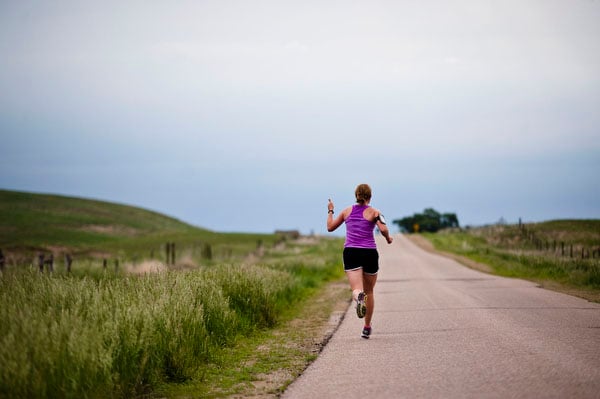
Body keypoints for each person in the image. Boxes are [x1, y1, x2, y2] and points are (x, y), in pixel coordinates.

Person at [326, 183, 393, 339]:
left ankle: (358, 297)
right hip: (369, 253)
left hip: (351, 252)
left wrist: (330, 210)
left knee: (357, 289)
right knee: (369, 291)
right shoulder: (374, 212)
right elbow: (383, 229)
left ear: (356, 195)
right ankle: (367, 327)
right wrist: (388, 238)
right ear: (370, 197)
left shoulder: (346, 211)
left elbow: (330, 227)